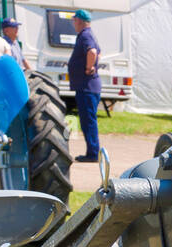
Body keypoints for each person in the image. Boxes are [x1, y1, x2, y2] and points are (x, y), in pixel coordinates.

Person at [68, 9, 101, 163]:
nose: (73, 23)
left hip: (87, 86)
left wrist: (89, 68)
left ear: (79, 21)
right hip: (87, 86)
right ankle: (92, 151)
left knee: (88, 121)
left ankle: (93, 153)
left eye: (74, 20)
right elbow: (98, 53)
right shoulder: (87, 34)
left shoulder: (85, 35)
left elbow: (93, 52)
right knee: (88, 121)